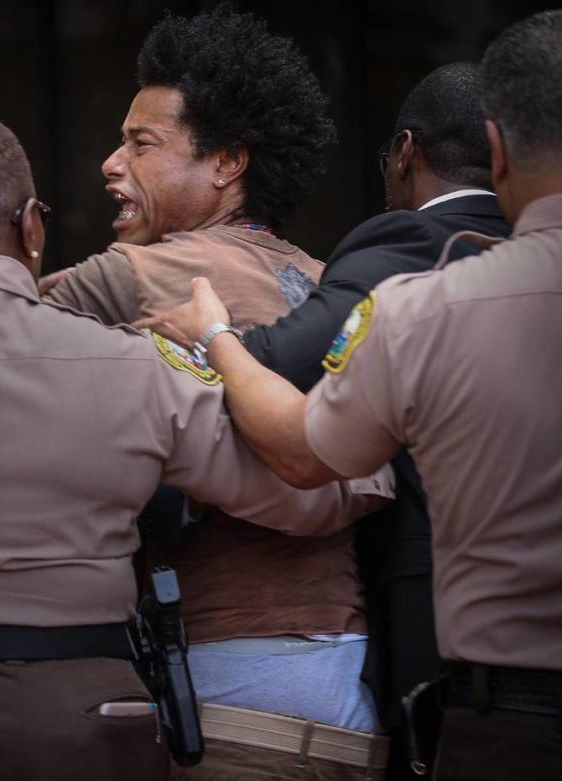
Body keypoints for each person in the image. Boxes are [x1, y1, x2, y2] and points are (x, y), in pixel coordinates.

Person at [0, 112, 391, 781]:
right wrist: (366, 476)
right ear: (30, 226)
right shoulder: (135, 364)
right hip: (94, 712)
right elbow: (296, 496)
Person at [144, 11, 562, 780]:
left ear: (498, 147)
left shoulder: (423, 303)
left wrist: (215, 337)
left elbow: (302, 453)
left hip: (513, 719)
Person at [47, 8, 388, 779]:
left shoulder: (146, 270)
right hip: (348, 674)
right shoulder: (324, 274)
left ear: (227, 162)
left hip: (234, 676)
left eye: (141, 144)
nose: (110, 163)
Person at [215, 62, 511, 779]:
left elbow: (288, 368)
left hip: (443, 621)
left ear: (405, 152)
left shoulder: (417, 246)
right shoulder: (531, 248)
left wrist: (211, 335)